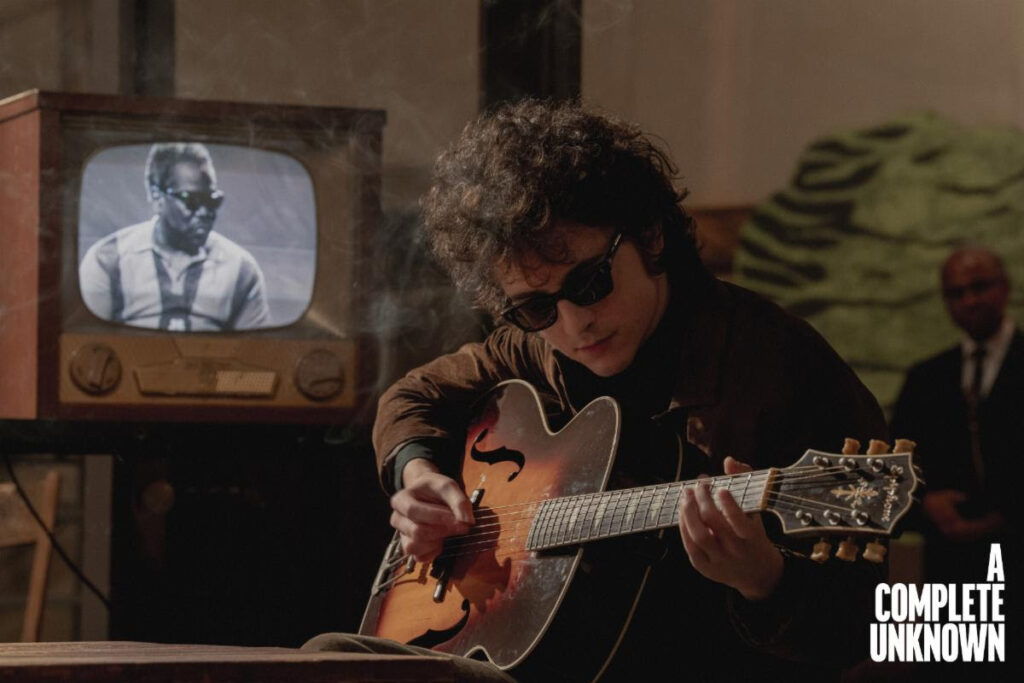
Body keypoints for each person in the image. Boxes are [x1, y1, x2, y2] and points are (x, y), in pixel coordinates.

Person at [314, 101, 887, 681]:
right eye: (535, 306)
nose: (573, 325)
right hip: (534, 663)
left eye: (590, 283)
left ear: (651, 237)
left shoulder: (781, 365)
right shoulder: (533, 348)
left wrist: (764, 579)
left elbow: (865, 624)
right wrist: (419, 476)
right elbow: (413, 396)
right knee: (325, 662)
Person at [891, 247, 1018, 583]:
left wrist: (1003, 516)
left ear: (1004, 288)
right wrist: (926, 502)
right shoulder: (926, 378)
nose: (970, 301)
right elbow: (897, 465)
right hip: (951, 567)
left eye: (980, 287)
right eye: (956, 293)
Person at [79, 142, 270, 331]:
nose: (205, 212)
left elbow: (256, 351)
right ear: (157, 196)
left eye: (212, 200)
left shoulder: (242, 269)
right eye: (192, 200)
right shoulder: (108, 260)